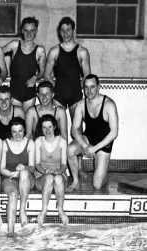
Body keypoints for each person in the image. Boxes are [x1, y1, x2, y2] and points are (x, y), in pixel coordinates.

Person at [44, 16, 91, 177]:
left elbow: (87, 76)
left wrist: (82, 88)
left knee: (77, 131)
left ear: (73, 30)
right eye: (62, 30)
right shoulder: (54, 51)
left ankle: (79, 167)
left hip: (76, 95)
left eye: (68, 30)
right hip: (59, 95)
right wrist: (55, 87)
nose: (65, 33)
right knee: (56, 131)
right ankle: (59, 164)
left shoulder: (82, 51)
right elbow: (46, 74)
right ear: (59, 32)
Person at [66, 74, 118, 192]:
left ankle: (103, 174)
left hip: (104, 143)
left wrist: (95, 149)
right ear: (83, 88)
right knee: (70, 150)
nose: (89, 91)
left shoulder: (108, 104)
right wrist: (86, 146)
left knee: (97, 185)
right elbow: (74, 130)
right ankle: (75, 181)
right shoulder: (81, 104)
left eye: (92, 87)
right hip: (88, 139)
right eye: (86, 87)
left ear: (99, 87)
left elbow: (114, 132)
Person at [0, 117, 35, 237]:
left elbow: (32, 168)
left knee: (24, 173)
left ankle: (22, 210)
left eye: (20, 131)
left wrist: (24, 167)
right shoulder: (5, 144)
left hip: (26, 178)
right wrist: (12, 174)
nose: (17, 134)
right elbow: (2, 168)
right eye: (14, 132)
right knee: (13, 194)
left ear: (24, 130)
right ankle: (10, 232)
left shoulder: (30, 143)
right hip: (9, 177)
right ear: (10, 131)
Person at [3, 17, 46, 112]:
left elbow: (42, 72)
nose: (29, 34)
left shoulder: (40, 50)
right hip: (15, 92)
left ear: (36, 31)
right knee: (15, 123)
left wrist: (35, 77)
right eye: (26, 30)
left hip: (29, 93)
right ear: (22, 31)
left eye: (32, 31)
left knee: (28, 123)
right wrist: (0, 72)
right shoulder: (14, 45)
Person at [35, 114, 68, 226]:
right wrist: (45, 171)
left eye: (50, 127)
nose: (47, 130)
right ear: (41, 129)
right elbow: (37, 164)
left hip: (59, 174)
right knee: (49, 178)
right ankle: (44, 210)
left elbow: (64, 165)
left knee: (58, 179)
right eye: (44, 127)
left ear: (54, 126)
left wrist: (58, 171)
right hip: (42, 176)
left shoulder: (62, 141)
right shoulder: (38, 141)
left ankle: (60, 210)